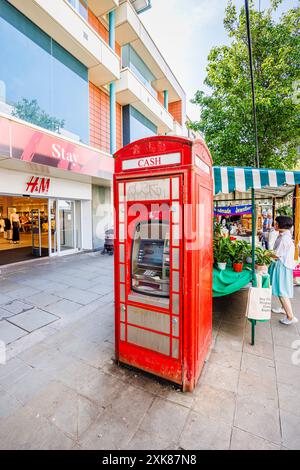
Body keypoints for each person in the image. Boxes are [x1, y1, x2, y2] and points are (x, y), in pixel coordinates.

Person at [270, 215, 298, 325]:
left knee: (282, 291)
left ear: (282, 225)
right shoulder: (283, 235)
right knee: (282, 289)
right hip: (282, 265)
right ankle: (283, 308)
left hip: (282, 266)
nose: (274, 225)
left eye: (276, 223)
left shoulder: (284, 238)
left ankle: (290, 317)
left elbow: (277, 255)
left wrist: (265, 254)